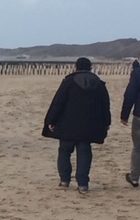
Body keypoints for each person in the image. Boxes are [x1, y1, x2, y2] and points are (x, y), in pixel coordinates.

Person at [42, 57, 111, 194]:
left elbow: (58, 103)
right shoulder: (99, 84)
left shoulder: (68, 82)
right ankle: (83, 184)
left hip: (68, 124)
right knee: (84, 152)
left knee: (64, 151)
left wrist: (51, 120)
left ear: (76, 67)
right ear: (90, 68)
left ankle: (64, 180)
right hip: (88, 126)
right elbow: (105, 106)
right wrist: (106, 122)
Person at [121, 60, 140, 187]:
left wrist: (124, 115)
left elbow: (130, 94)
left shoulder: (138, 73)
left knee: (138, 148)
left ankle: (134, 177)